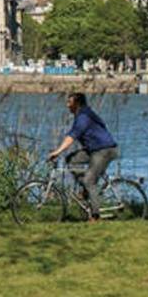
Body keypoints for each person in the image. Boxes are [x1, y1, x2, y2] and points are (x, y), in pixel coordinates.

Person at [48, 92, 120, 221]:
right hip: (93, 149)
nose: (67, 105)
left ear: (77, 104)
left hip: (105, 150)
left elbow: (71, 137)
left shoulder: (83, 117)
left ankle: (95, 216)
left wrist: (57, 152)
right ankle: (87, 190)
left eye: (69, 102)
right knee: (71, 159)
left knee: (89, 181)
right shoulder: (82, 115)